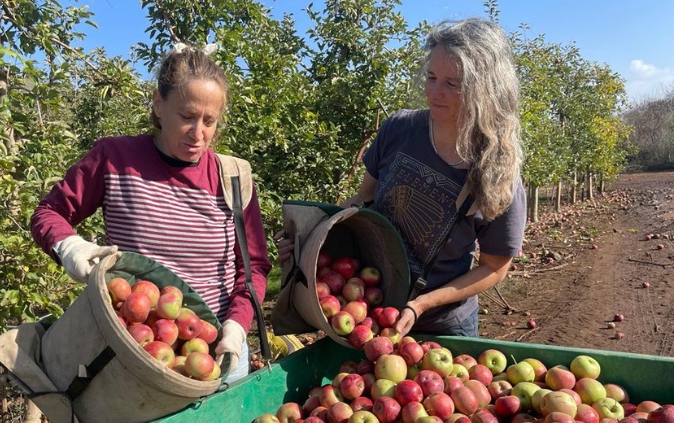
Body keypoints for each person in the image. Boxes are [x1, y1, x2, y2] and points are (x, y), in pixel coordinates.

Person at [30, 43, 271, 383]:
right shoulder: (114, 159)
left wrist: (237, 324)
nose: (199, 133)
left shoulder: (232, 178)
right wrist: (71, 247)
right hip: (135, 354)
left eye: (209, 121)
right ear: (159, 105)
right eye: (187, 117)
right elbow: (48, 213)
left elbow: (255, 266)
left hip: (218, 353)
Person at [278, 17, 526, 338]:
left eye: (452, 84)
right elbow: (362, 200)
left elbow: (494, 266)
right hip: (371, 306)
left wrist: (421, 304)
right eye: (432, 77)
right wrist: (310, 241)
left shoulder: (495, 168)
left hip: (443, 326)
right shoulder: (399, 129)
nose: (435, 92)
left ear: (485, 91)